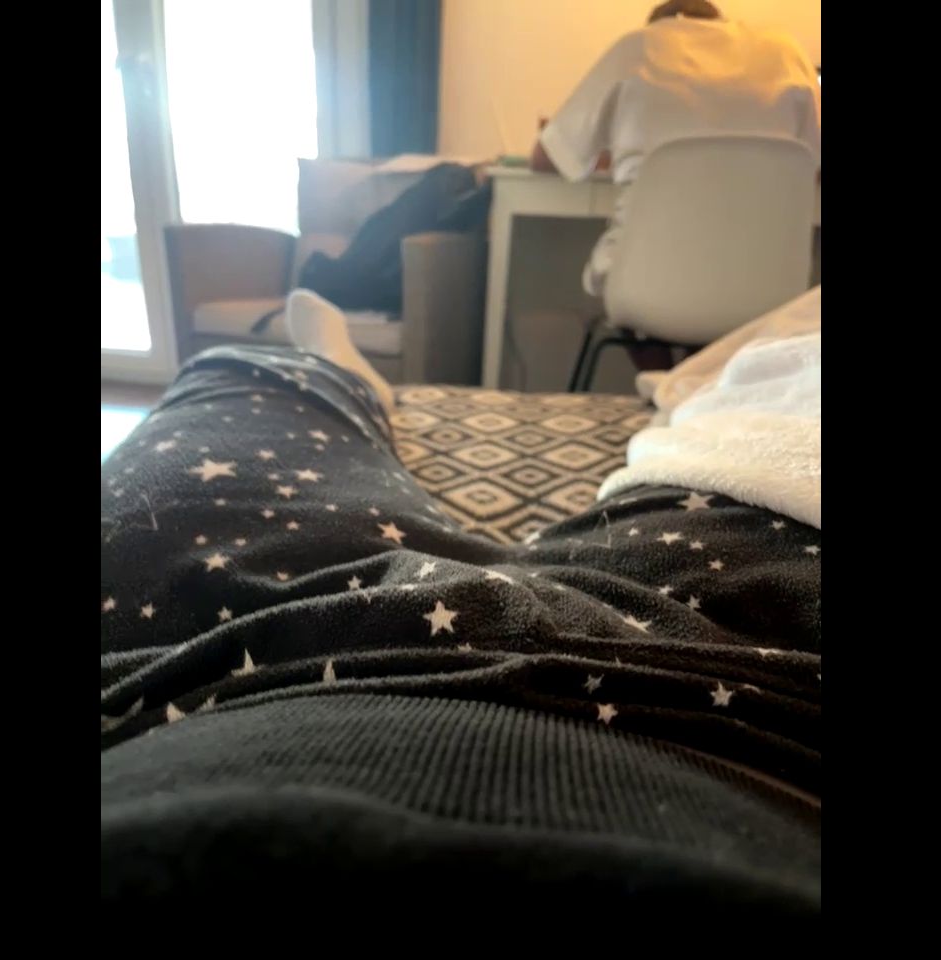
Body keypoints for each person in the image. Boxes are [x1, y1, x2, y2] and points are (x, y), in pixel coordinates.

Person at [101, 290, 820, 912]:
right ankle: (718, 398)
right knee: (777, 413)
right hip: (739, 682)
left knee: (233, 377)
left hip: (190, 670)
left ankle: (332, 373)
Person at [531, 0, 821, 368]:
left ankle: (661, 383)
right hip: (767, 289)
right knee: (726, 290)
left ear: (659, 26)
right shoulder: (785, 52)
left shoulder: (637, 48)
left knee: (643, 289)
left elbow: (544, 159)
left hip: (649, 285)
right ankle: (698, 386)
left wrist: (616, 155)